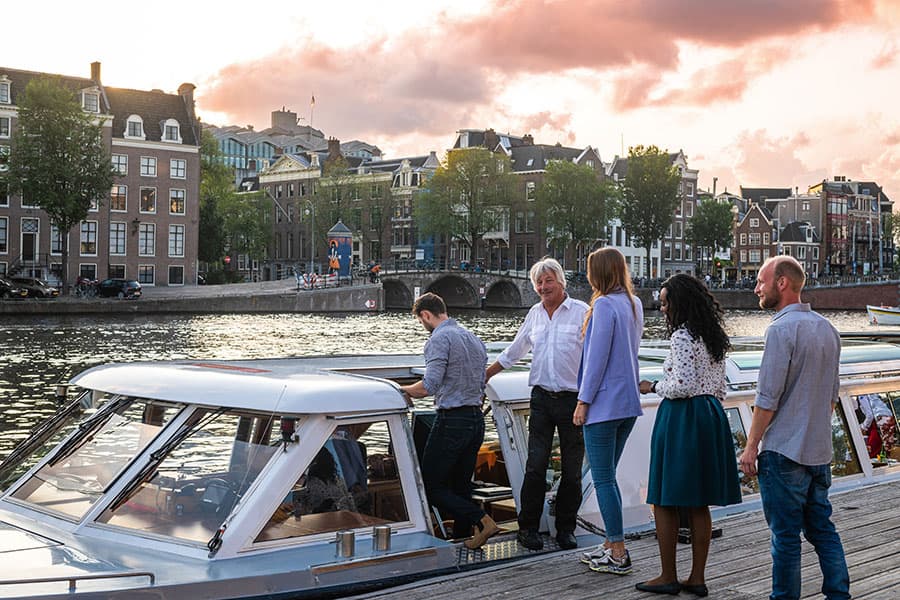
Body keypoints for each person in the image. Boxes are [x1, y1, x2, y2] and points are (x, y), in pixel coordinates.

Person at [739, 256, 850, 600]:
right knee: (822, 530)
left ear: (782, 283)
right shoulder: (828, 330)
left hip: (784, 451)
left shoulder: (779, 330)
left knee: (785, 537)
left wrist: (751, 446)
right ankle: (839, 594)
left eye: (761, 281)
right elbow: (831, 398)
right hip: (818, 452)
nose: (756, 288)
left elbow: (767, 398)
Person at [635, 274, 742, 596]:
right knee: (698, 501)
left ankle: (668, 575)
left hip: (682, 418)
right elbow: (718, 387)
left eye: (665, 303)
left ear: (679, 303)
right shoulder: (713, 336)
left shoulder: (682, 336)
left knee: (664, 497)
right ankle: (697, 578)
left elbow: (682, 385)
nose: (662, 309)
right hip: (710, 414)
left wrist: (652, 386)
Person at [485, 258, 588, 551]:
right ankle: (527, 528)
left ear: (561, 282)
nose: (543, 287)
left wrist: (588, 398)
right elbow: (515, 350)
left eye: (548, 281)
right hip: (541, 398)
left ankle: (566, 529)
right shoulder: (534, 314)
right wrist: (486, 375)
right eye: (539, 283)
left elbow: (594, 356)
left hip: (572, 400)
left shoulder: (582, 312)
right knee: (535, 466)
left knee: (571, 469)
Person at [399, 293, 499, 550]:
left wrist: (401, 389)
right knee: (461, 486)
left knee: (431, 487)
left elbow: (428, 386)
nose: (422, 325)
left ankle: (483, 521)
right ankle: (464, 538)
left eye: (420, 320)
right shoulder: (473, 339)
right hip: (476, 420)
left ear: (425, 315)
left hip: (452, 421)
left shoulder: (438, 339)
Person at [573, 247, 643, 575]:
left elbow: (597, 358)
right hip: (628, 403)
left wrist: (583, 401)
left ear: (598, 273)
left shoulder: (602, 305)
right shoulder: (633, 303)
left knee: (602, 480)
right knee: (608, 477)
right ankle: (608, 544)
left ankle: (618, 550)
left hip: (603, 405)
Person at [857, 393, 896, 459]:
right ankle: (884, 460)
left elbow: (870, 415)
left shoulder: (861, 395)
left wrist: (863, 427)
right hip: (887, 417)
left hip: (881, 419)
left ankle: (882, 461)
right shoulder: (869, 394)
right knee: (885, 446)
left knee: (877, 446)